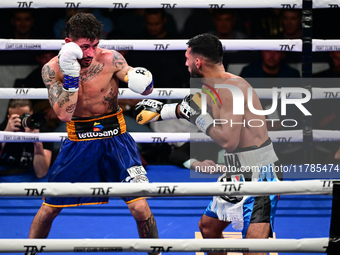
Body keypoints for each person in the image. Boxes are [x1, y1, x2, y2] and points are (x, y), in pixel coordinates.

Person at [134, 33, 281, 255]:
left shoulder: (233, 89)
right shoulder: (210, 88)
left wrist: (198, 118)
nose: (185, 63)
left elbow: (229, 141)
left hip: (261, 173)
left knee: (253, 249)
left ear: (198, 62)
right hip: (237, 170)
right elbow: (190, 108)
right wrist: (160, 112)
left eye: (187, 58)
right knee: (208, 227)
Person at [28, 12, 159, 248]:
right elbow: (63, 113)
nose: (89, 53)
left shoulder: (111, 59)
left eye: (94, 45)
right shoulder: (52, 69)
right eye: (84, 47)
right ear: (68, 44)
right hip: (78, 141)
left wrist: (144, 81)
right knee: (49, 209)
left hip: (116, 139)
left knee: (140, 207)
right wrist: (70, 76)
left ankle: (156, 253)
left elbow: (140, 85)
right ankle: (28, 251)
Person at [0, 99, 52, 178]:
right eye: (17, 118)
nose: (21, 120)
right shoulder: (2, 129)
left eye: (25, 116)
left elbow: (41, 173)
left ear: (32, 114)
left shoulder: (44, 132)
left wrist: (37, 142)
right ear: (8, 118)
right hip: (4, 175)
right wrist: (5, 135)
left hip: (32, 178)